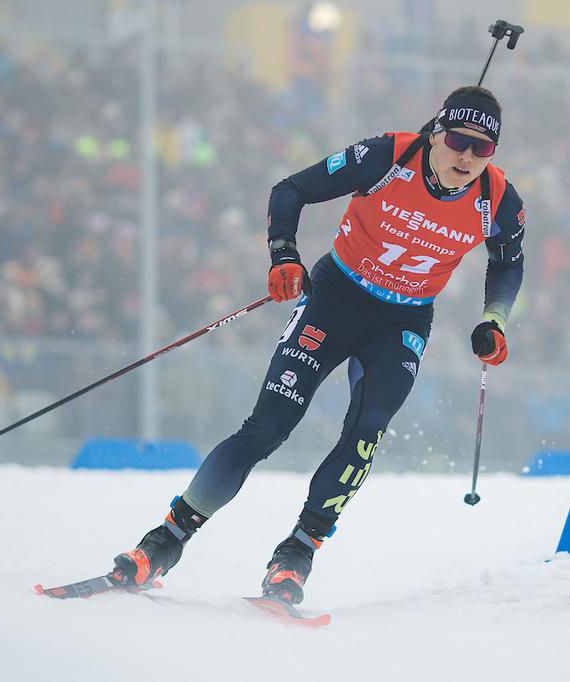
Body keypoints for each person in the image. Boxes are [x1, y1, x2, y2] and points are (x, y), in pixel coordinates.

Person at [107, 86, 526, 604]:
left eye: (483, 148)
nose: (468, 157)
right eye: (459, 140)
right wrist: (284, 255)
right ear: (436, 132)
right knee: (268, 427)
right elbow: (289, 190)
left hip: (403, 321)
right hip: (334, 296)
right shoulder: (387, 157)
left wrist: (494, 319)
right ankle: (165, 541)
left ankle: (296, 556)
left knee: (365, 432)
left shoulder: (499, 200)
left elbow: (508, 261)